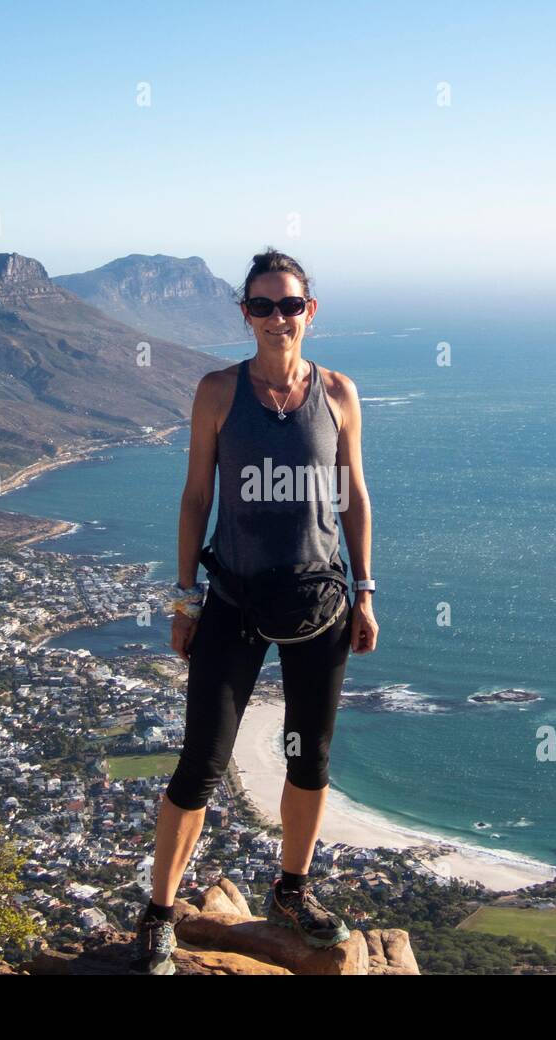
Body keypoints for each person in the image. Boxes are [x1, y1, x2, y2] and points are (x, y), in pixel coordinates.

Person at [130, 247, 378, 974]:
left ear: (310, 311)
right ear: (245, 314)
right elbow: (195, 499)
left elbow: (355, 497)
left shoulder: (338, 393)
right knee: (200, 765)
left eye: (290, 304)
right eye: (263, 306)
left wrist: (366, 590)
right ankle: (160, 911)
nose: (278, 317)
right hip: (232, 601)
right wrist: (185, 598)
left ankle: (292, 890)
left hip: (319, 602)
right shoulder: (217, 391)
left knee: (310, 758)